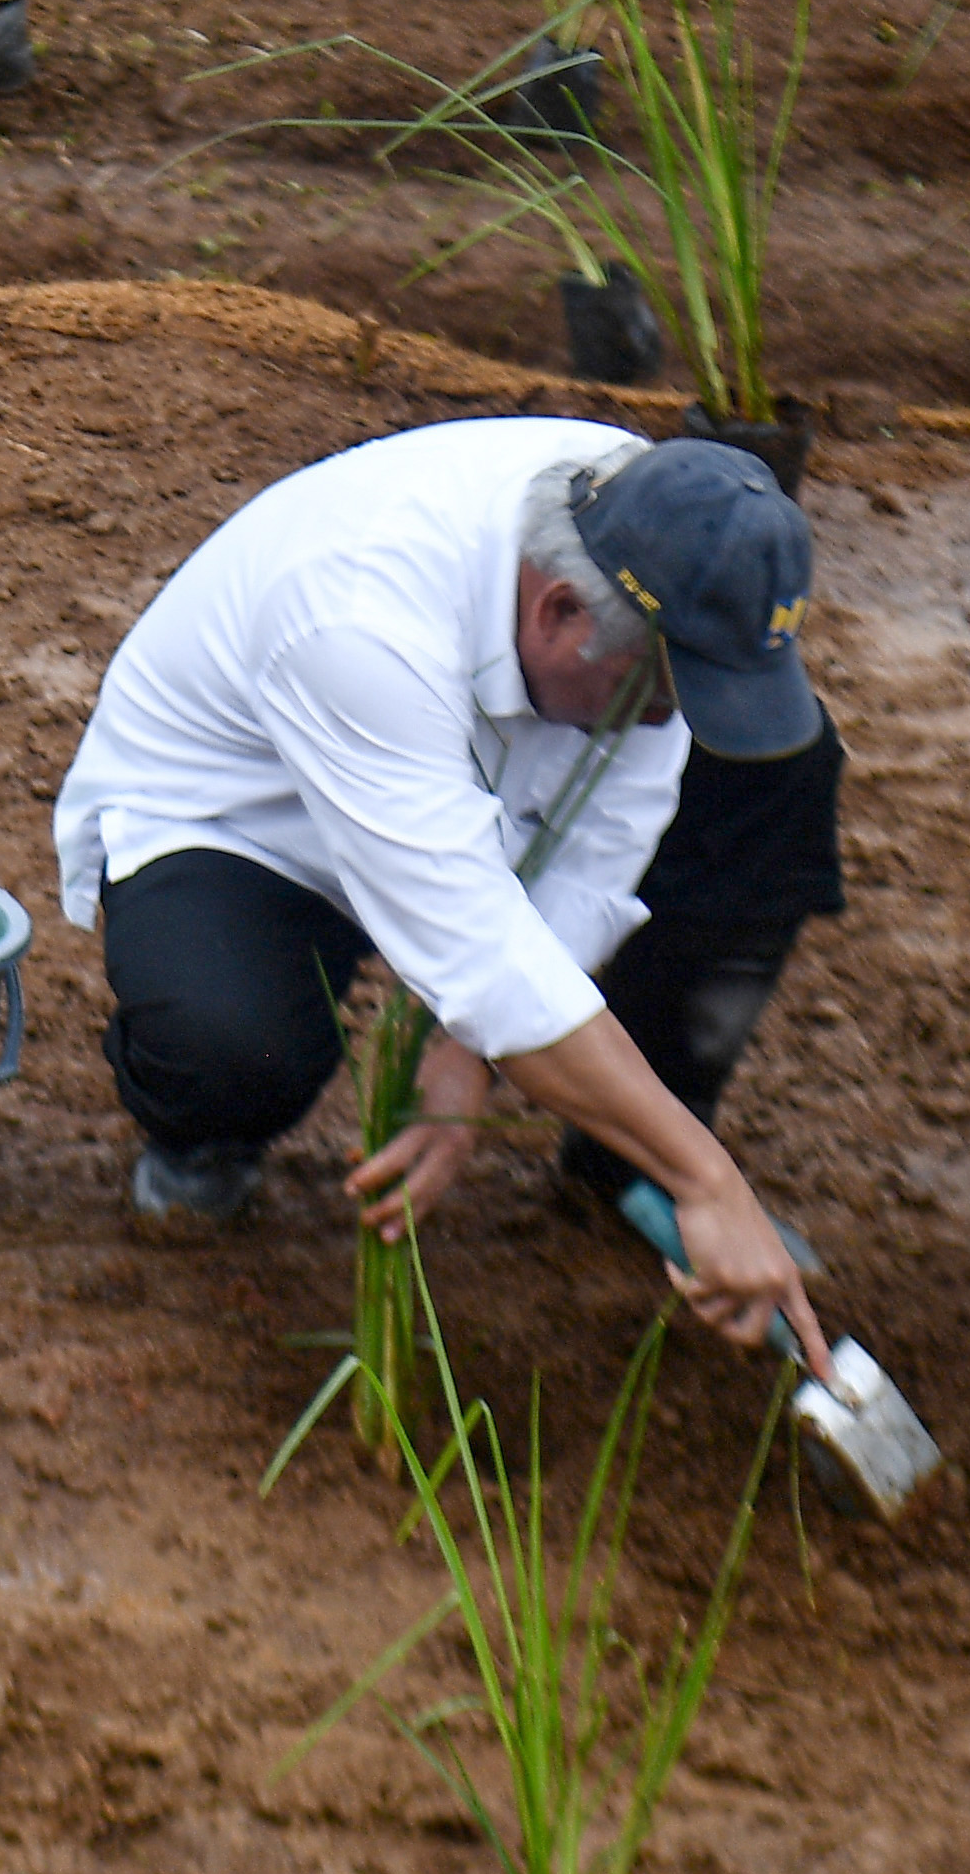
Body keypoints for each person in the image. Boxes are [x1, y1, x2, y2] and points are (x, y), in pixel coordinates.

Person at [51, 420, 839, 1379]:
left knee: (774, 776)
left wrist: (464, 1050)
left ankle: (630, 1163)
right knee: (236, 1050)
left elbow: (599, 850)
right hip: (253, 823)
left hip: (474, 796)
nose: (672, 718)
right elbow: (479, 953)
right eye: (664, 690)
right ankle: (200, 1146)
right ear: (556, 613)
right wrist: (712, 1178)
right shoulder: (356, 618)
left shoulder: (666, 535)